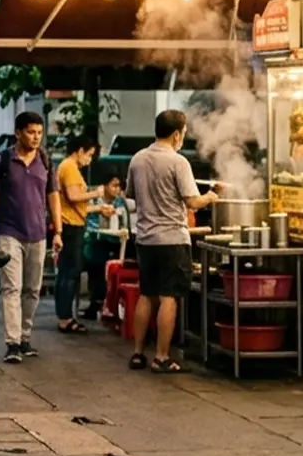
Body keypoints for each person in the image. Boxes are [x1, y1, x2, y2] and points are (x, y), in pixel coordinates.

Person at [125, 110, 217, 373]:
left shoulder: (138, 159)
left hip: (145, 238)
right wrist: (209, 196)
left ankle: (138, 353)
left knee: (146, 294)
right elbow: (192, 201)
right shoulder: (178, 162)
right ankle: (162, 356)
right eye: (184, 132)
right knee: (168, 298)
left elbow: (131, 194)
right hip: (172, 239)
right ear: (177, 133)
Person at [0, 110, 61, 365]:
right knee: (11, 288)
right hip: (8, 233)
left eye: (39, 133)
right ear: (18, 133)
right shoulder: (2, 160)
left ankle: (25, 336)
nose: (36, 137)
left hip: (38, 234)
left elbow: (53, 197)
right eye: (30, 132)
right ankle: (12, 342)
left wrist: (58, 231)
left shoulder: (46, 161)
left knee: (32, 290)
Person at [53, 135, 105, 335]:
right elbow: (74, 197)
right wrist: (97, 193)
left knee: (67, 271)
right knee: (70, 272)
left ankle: (64, 315)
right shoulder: (70, 167)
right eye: (89, 155)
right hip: (70, 227)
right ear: (81, 150)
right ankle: (65, 318)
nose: (89, 160)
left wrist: (98, 208)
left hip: (73, 223)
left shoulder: (68, 167)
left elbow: (76, 204)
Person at [82, 174, 129, 320]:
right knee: (97, 260)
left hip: (115, 240)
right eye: (113, 185)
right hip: (94, 238)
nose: (116, 189)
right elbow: (83, 212)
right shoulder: (94, 199)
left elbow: (124, 219)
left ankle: (113, 304)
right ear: (104, 186)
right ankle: (96, 302)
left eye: (118, 186)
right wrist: (99, 209)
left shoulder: (120, 201)